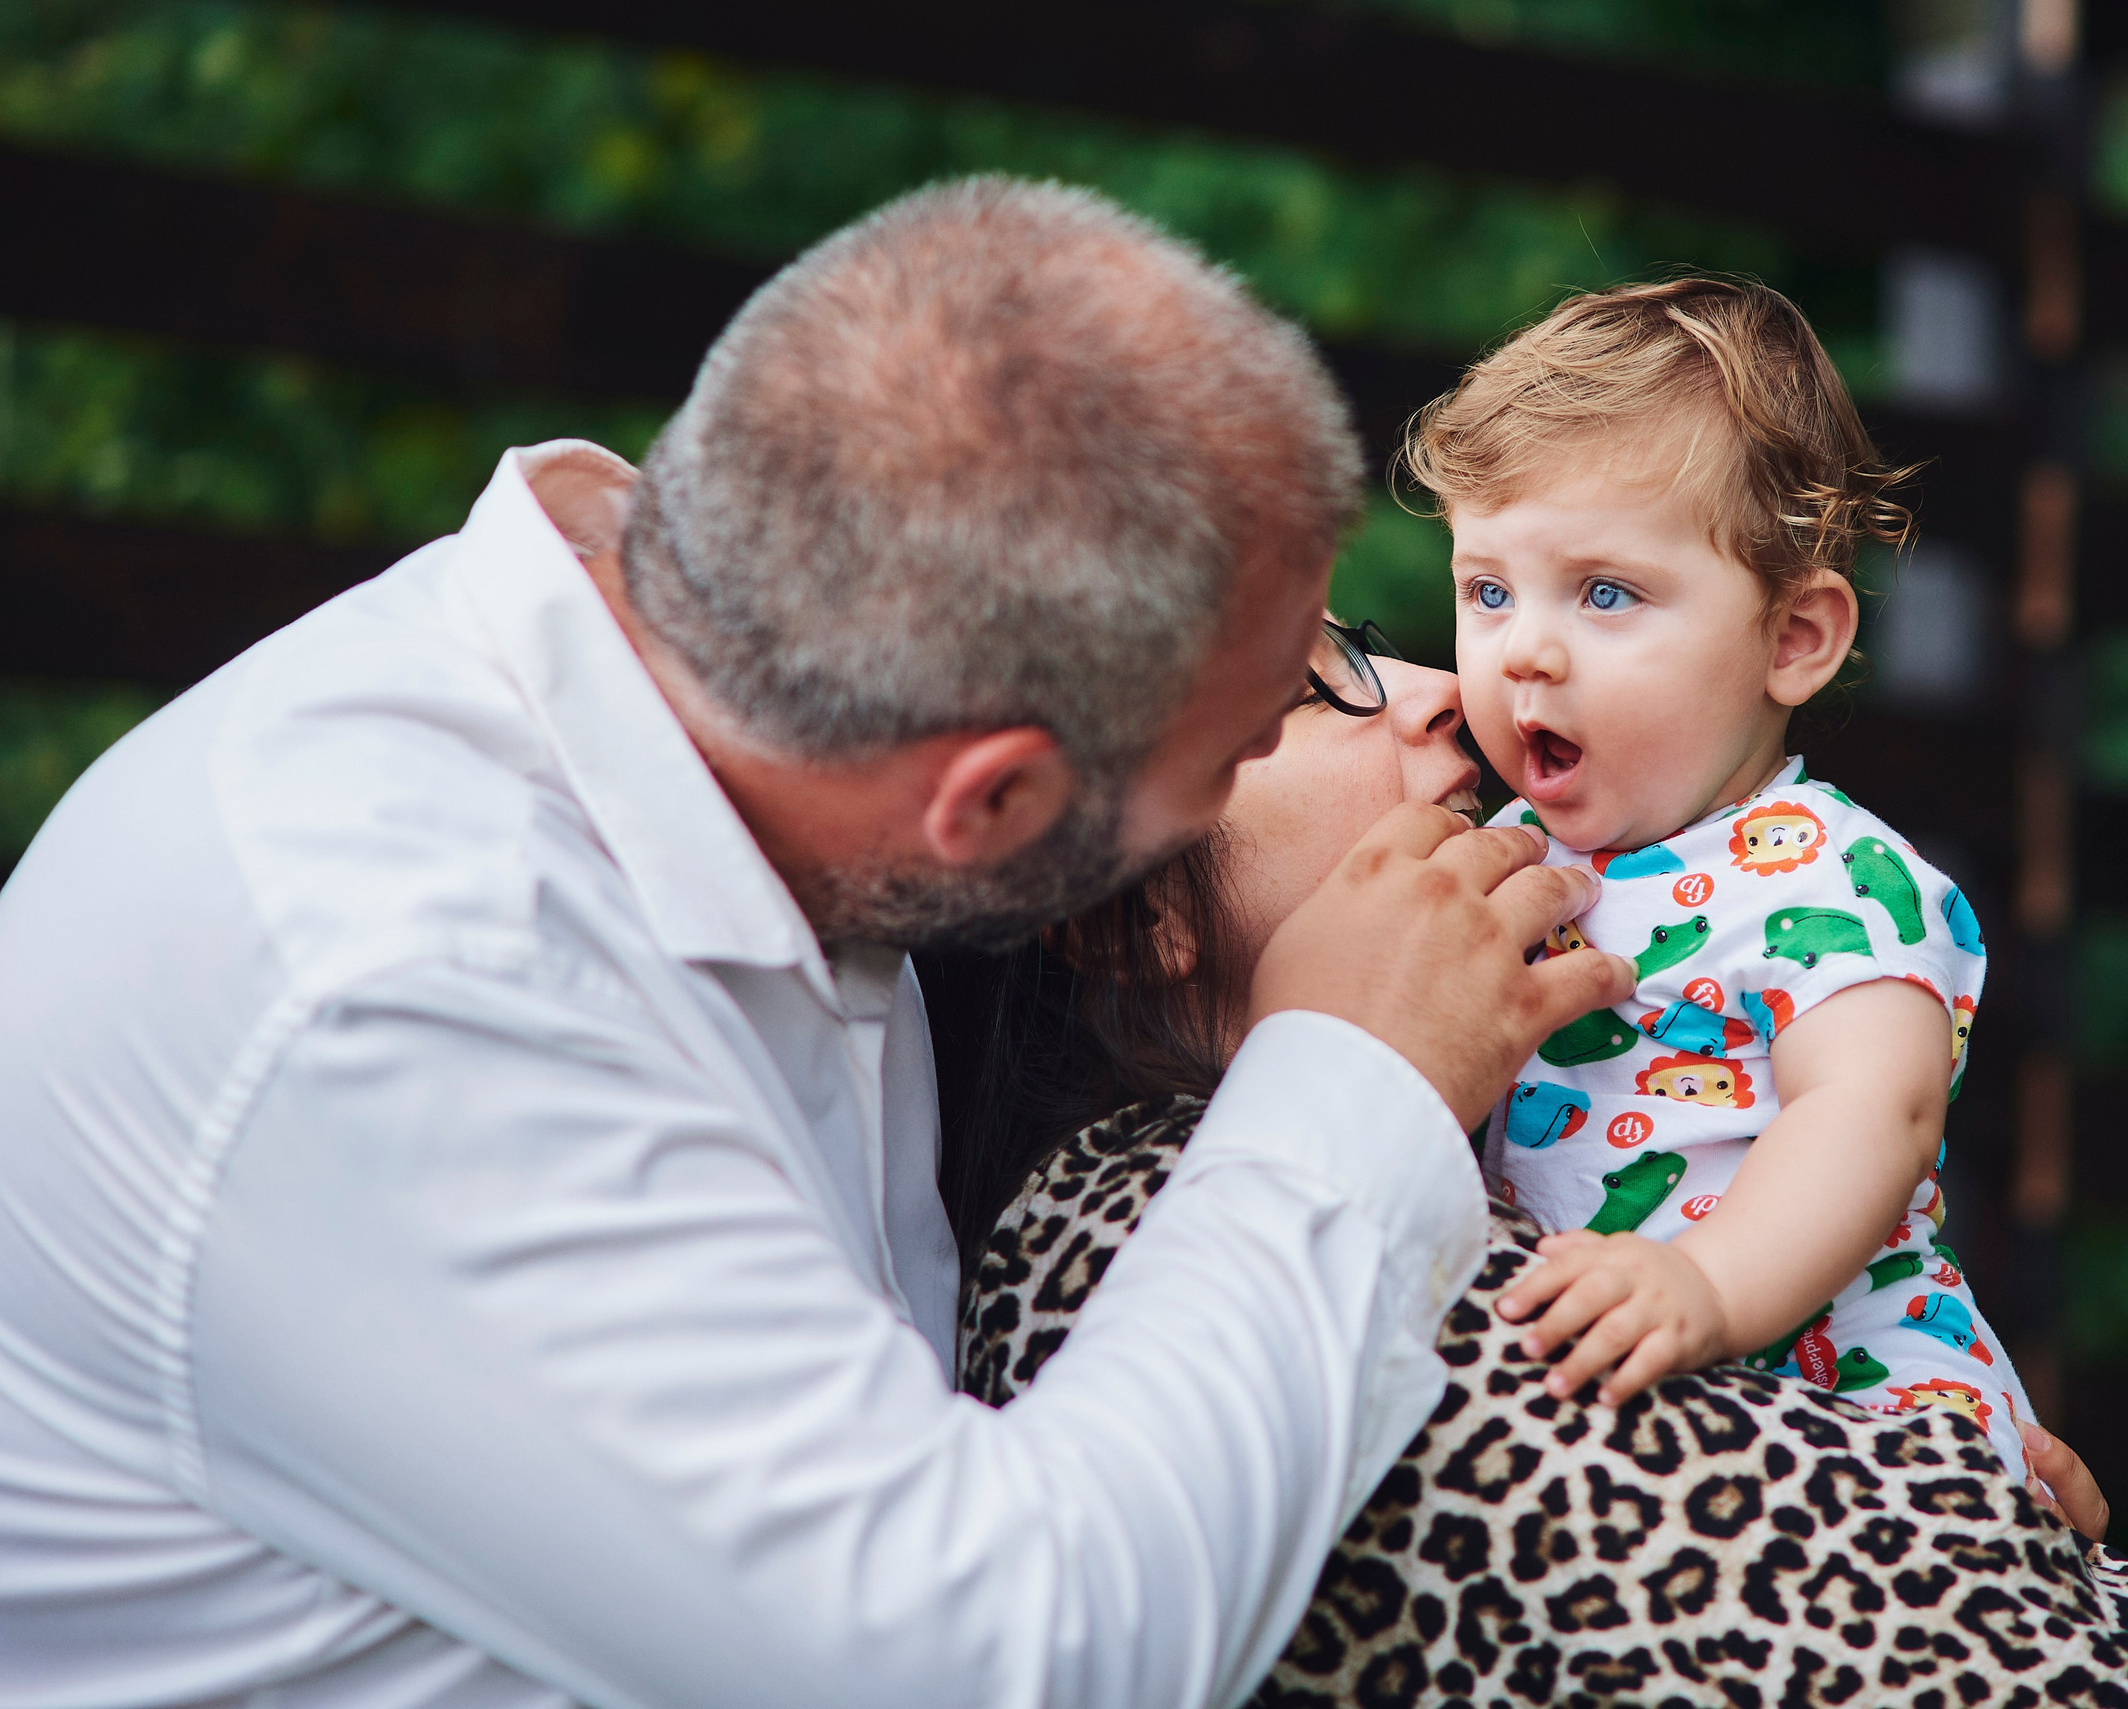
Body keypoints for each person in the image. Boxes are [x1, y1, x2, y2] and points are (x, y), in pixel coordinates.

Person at [0, 179, 1636, 1708]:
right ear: (990, 804)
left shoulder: (744, 721)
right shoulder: (403, 986)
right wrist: (1352, 1073)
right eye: (1246, 739)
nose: (1437, 696)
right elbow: (996, 1655)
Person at [931, 620, 2128, 1706]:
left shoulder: (1470, 1142)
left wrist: (1983, 1475)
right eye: (1304, 691)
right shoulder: (1137, 1230)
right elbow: (1947, 1644)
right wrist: (2011, 1544)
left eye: (1378, 647)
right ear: (1132, 914)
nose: (1449, 691)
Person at [1396, 277, 2040, 1480]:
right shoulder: (1510, 853)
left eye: (1604, 593)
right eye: (1487, 589)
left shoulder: (1829, 873)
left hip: (1865, 1427)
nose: (1523, 648)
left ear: (1792, 638)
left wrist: (1707, 1280)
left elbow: (1872, 1113)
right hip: (1639, 1412)